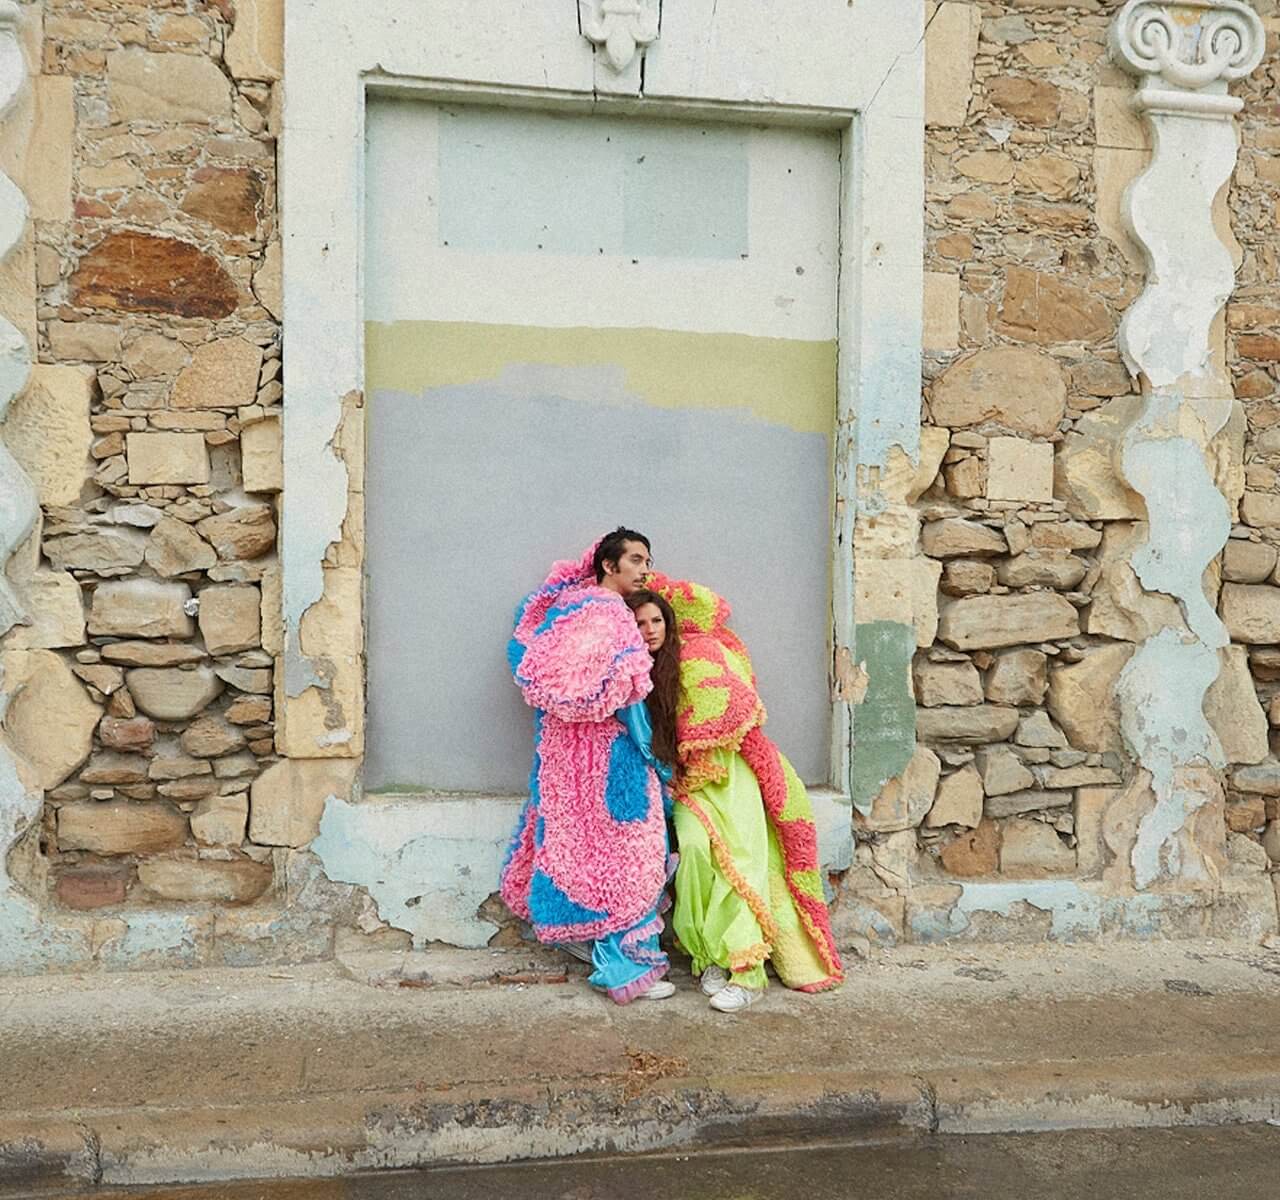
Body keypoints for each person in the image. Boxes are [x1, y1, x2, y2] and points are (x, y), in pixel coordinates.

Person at [636, 575, 844, 1013]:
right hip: (690, 785)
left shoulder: (699, 654)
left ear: (670, 622)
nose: (650, 629)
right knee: (694, 854)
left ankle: (746, 974)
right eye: (640, 623)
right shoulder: (637, 675)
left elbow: (733, 702)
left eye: (656, 620)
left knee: (742, 866)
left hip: (732, 775)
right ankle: (709, 956)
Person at [500, 528, 675, 1004]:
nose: (645, 569)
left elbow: (538, 667)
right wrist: (655, 759)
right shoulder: (610, 615)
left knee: (596, 858)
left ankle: (606, 950)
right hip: (611, 758)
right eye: (635, 559)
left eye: (647, 560)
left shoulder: (571, 611)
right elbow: (627, 697)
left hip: (572, 760)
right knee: (630, 861)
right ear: (608, 565)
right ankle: (624, 965)